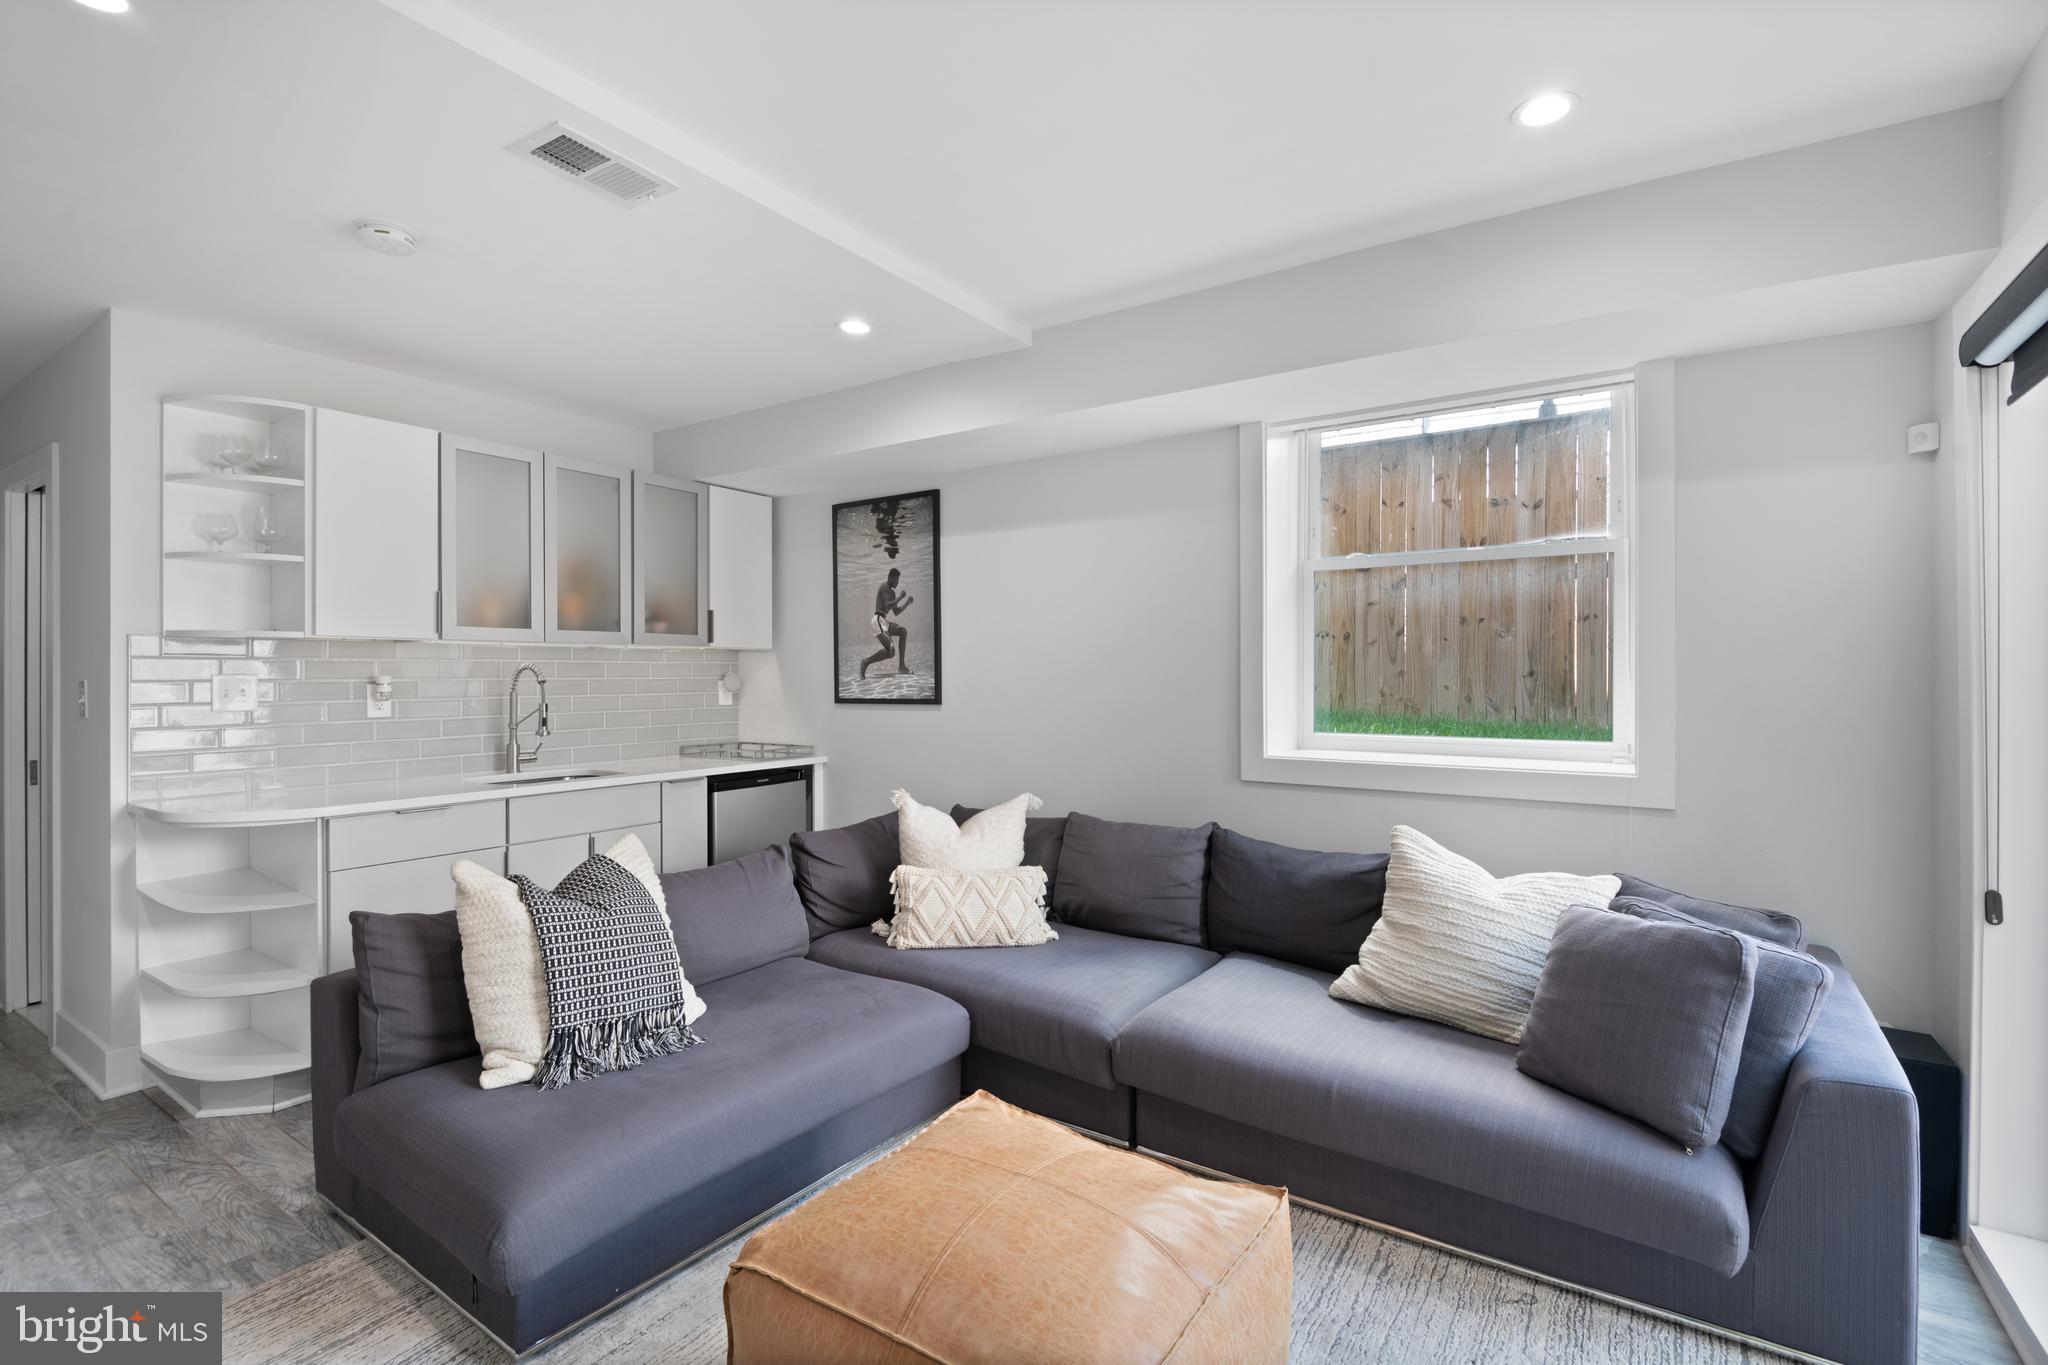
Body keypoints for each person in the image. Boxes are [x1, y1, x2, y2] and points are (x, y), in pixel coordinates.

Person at [859, 568, 914, 679]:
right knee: (891, 651)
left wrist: (907, 602)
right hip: (877, 621)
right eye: (897, 579)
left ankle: (902, 667)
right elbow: (886, 606)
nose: (898, 582)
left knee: (903, 631)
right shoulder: (883, 586)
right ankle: (865, 662)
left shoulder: (893, 593)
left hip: (884, 621)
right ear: (891, 578)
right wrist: (900, 597)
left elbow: (896, 611)